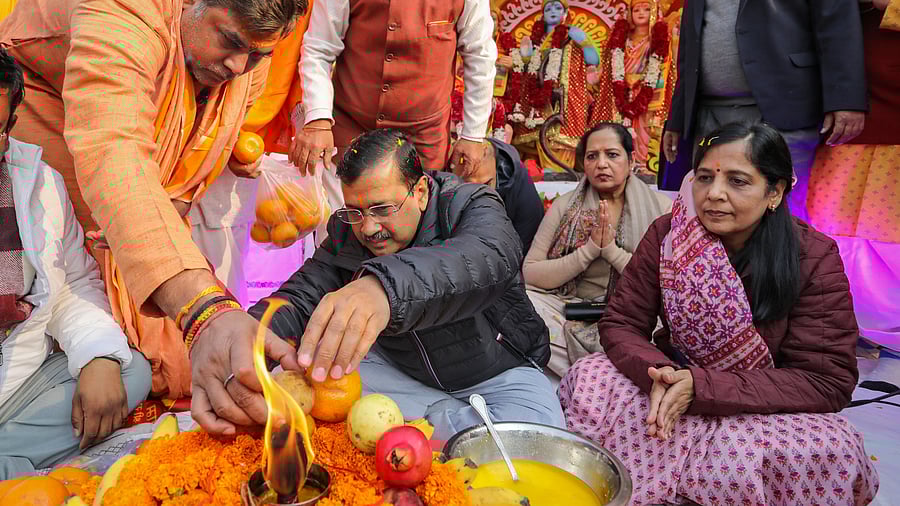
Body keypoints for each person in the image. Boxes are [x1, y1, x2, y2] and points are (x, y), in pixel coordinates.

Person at [0, 0, 307, 434]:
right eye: (231, 42)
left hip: (129, 149)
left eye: (259, 55)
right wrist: (202, 312)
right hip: (54, 109)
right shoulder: (122, 11)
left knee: (156, 348)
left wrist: (161, 212)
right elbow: (114, 149)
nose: (241, 67)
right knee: (90, 273)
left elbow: (201, 144)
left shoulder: (242, 61)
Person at [560, 123, 879, 504]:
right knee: (590, 374)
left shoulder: (812, 256)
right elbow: (623, 322)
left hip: (761, 408)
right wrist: (663, 375)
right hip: (674, 384)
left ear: (774, 192)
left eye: (738, 181)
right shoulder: (668, 235)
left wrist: (704, 387)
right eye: (705, 177)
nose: (714, 194)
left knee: (833, 447)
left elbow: (827, 381)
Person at [249, 129, 564, 440]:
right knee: (295, 383)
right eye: (355, 212)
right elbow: (301, 296)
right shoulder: (348, 233)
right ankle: (438, 427)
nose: (369, 228)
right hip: (398, 373)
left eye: (382, 209)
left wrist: (383, 288)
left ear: (421, 191)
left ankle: (423, 425)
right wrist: (248, 333)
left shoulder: (469, 203)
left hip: (496, 375)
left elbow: (489, 256)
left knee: (539, 439)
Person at [0, 49, 151, 479]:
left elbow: (69, 287)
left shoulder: (39, 182)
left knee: (128, 372)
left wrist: (96, 358)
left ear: (10, 127)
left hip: (18, 387)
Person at [660, 0, 868, 222]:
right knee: (711, 213)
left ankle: (785, 258)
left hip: (782, 106)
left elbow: (836, 18)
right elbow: (690, 40)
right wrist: (678, 115)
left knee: (781, 215)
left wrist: (847, 97)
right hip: (709, 113)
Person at [523, 123, 670, 379]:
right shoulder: (565, 206)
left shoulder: (661, 208)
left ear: (631, 160)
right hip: (570, 305)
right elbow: (531, 272)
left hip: (637, 311)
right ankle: (604, 374)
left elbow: (668, 281)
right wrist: (589, 251)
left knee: (667, 328)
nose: (601, 164)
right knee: (521, 305)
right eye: (592, 156)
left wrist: (611, 251)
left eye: (612, 155)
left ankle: (587, 374)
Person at [292, 0, 497, 176]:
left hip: (424, 140)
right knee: (343, 218)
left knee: (416, 218)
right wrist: (318, 120)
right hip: (350, 129)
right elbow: (318, 49)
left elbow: (480, 55)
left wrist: (473, 135)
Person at [806, 0, 900, 346]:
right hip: (846, 107)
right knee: (830, 224)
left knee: (888, 235)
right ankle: (836, 321)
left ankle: (882, 327)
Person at [504, 0, 600, 172]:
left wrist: (584, 41)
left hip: (565, 93)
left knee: (559, 134)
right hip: (537, 96)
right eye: (548, 8)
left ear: (565, 12)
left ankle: (558, 169)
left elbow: (593, 60)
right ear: (542, 14)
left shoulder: (572, 34)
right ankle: (535, 166)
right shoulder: (536, 39)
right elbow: (526, 66)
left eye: (557, 7)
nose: (552, 11)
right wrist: (523, 56)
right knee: (534, 133)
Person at [592, 0, 681, 175]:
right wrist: (597, 75)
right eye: (636, 10)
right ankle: (621, 164)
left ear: (654, 11)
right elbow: (609, 65)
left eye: (646, 9)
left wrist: (676, 39)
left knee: (644, 129)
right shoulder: (622, 39)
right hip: (622, 91)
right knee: (621, 128)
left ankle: (644, 164)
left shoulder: (660, 39)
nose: (641, 13)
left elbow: (672, 63)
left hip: (649, 90)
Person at [452, 136, 544, 253]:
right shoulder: (444, 185)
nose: (478, 194)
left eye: (486, 184)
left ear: (497, 167)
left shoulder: (520, 190)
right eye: (468, 186)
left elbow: (526, 246)